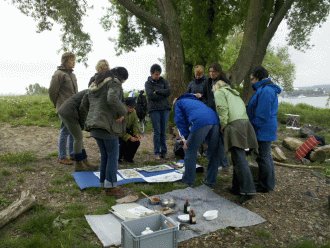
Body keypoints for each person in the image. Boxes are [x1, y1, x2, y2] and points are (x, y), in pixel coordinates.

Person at [80, 66, 128, 197]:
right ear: (121, 78)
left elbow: (84, 104)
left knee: (105, 155)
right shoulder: (114, 82)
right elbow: (112, 98)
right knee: (113, 155)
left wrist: (91, 117)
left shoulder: (94, 83)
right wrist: (123, 111)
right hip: (107, 126)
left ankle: (103, 183)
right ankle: (111, 187)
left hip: (94, 126)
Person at [213, 80, 258, 203]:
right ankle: (236, 188)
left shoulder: (219, 92)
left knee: (239, 157)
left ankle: (248, 190)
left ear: (216, 87)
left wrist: (223, 124)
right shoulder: (235, 93)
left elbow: (222, 109)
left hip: (234, 124)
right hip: (245, 123)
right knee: (238, 155)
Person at [247, 66, 282, 193]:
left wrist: (251, 125)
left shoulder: (266, 91)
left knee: (264, 157)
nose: (251, 82)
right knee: (265, 156)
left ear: (258, 78)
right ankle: (268, 182)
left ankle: (266, 185)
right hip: (264, 127)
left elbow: (262, 115)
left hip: (263, 128)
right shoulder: (263, 89)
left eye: (252, 79)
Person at [173, 93, 221, 188]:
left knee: (190, 150)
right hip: (215, 120)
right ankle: (210, 181)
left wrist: (186, 139)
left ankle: (188, 180)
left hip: (200, 122)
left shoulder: (178, 103)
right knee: (214, 152)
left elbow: (180, 121)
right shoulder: (195, 101)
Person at [49, 52, 78, 165]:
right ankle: (61, 157)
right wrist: (57, 104)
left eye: (74, 60)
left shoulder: (73, 75)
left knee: (72, 131)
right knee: (65, 131)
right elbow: (52, 92)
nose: (74, 62)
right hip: (64, 107)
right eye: (72, 60)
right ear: (65, 61)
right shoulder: (58, 74)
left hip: (73, 107)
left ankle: (72, 154)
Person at [57, 90, 95, 171]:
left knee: (78, 137)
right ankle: (79, 164)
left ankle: (85, 161)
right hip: (69, 113)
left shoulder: (92, 91)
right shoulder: (92, 93)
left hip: (64, 110)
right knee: (78, 138)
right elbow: (83, 111)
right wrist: (81, 125)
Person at [203, 62, 229, 169]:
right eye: (210, 71)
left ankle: (223, 163)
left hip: (220, 114)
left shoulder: (223, 83)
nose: (211, 73)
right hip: (210, 113)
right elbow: (205, 96)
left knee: (220, 140)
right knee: (211, 138)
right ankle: (213, 160)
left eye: (214, 71)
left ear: (218, 72)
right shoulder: (207, 82)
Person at [145, 64, 171, 160]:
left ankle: (164, 152)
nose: (157, 76)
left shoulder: (164, 81)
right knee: (157, 131)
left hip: (165, 109)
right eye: (156, 74)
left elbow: (168, 91)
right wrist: (162, 93)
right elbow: (151, 95)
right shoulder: (148, 83)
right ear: (152, 73)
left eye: (159, 74)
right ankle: (156, 152)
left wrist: (158, 91)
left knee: (163, 131)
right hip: (154, 110)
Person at [119, 97, 141, 163]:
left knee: (136, 142)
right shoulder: (120, 111)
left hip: (127, 131)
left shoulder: (134, 111)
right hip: (117, 133)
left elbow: (135, 124)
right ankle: (118, 158)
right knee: (122, 143)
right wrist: (129, 137)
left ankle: (128, 158)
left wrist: (136, 134)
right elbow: (118, 129)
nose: (132, 109)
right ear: (125, 105)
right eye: (130, 107)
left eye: (133, 107)